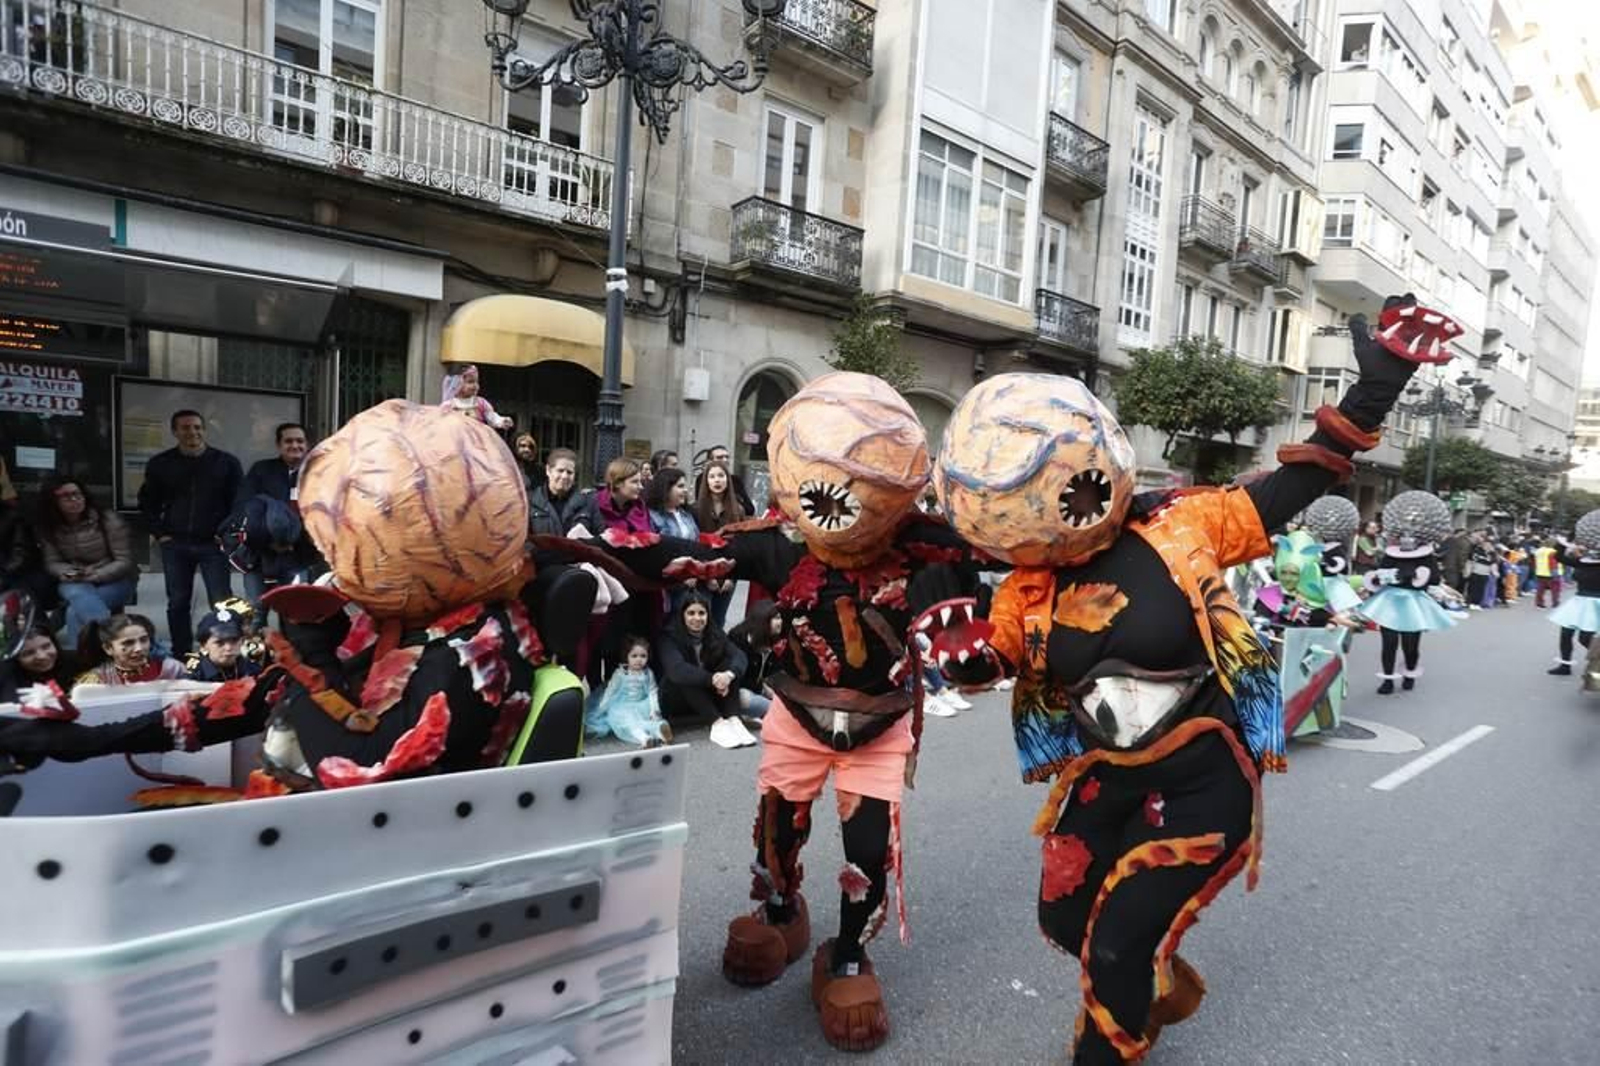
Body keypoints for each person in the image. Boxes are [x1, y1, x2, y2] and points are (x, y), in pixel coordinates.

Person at [929, 294, 1452, 1061]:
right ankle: (1150, 974)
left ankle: (1113, 1024)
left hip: (1203, 777)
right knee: (1067, 920)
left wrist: (1380, 386)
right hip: (1104, 774)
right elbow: (997, 658)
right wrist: (962, 652)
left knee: (1113, 947)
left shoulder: (1186, 524)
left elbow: (1295, 487)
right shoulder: (1026, 587)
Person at [137, 409, 242, 656]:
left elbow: (238, 503)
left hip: (213, 544)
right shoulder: (161, 464)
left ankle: (225, 649)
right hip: (176, 543)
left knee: (221, 600)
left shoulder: (226, 463)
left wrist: (227, 535)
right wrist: (160, 533)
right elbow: (147, 502)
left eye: (197, 427)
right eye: (185, 428)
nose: (192, 432)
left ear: (204, 430)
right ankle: (182, 652)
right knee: (178, 602)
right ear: (175, 432)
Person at [1361, 491, 1461, 694]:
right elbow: (1381, 571)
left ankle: (1409, 671)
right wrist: (1385, 577)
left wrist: (1412, 575)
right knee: (1389, 642)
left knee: (1410, 644)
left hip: (1413, 603)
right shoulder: (1391, 552)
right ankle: (1387, 679)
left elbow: (1432, 578)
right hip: (1390, 601)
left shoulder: (1427, 554)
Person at [35, 476, 138, 643]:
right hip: (75, 580)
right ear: (53, 502)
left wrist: (95, 574)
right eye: (67, 497)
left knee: (74, 612)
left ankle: (82, 660)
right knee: (76, 594)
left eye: (78, 494)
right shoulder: (48, 527)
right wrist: (70, 572)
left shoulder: (107, 520)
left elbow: (125, 561)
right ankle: (118, 642)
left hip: (116, 580)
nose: (75, 499)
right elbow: (52, 562)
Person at [656, 592, 758, 749]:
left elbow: (739, 655)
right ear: (682, 615)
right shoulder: (669, 636)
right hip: (676, 700)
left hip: (709, 695)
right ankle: (717, 723)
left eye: (701, 613)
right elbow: (676, 670)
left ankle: (734, 719)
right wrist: (713, 679)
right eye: (691, 613)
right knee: (684, 674)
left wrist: (728, 676)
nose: (697, 618)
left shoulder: (714, 632)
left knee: (729, 665)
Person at [235, 423, 317, 611]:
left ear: (307, 445)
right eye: (288, 441)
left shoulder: (316, 474)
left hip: (299, 556)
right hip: (259, 555)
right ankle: (257, 640)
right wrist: (270, 540)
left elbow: (323, 514)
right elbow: (245, 506)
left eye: (300, 441)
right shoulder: (261, 470)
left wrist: (294, 540)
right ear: (279, 445)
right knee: (256, 609)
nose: (294, 445)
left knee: (296, 611)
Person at [586, 635, 672, 748]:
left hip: (641, 705)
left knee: (648, 720)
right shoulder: (620, 674)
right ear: (626, 656)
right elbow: (610, 691)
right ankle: (645, 739)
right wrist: (601, 708)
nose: (639, 660)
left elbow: (652, 692)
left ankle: (660, 731)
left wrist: (654, 710)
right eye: (634, 656)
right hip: (622, 706)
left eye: (643, 656)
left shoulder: (648, 673)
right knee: (629, 723)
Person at [694, 459, 747, 627]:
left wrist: (732, 577)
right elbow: (695, 545)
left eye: (721, 476)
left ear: (728, 480)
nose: (717, 480)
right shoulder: (695, 509)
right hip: (703, 573)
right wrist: (707, 575)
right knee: (702, 620)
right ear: (706, 481)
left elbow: (741, 545)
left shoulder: (737, 509)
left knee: (719, 620)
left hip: (729, 573)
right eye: (712, 476)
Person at [1548, 516, 1600, 675]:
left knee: (1585, 637)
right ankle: (1565, 665)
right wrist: (1570, 536)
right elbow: (1558, 556)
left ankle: (1597, 659)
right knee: (1566, 633)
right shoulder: (1582, 561)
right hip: (1580, 601)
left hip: (1597, 602)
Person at [74, 613, 186, 687]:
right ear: (108, 648)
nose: (139, 648)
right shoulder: (96, 681)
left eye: (144, 640)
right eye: (128, 643)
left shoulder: (174, 670)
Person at [528, 448, 593, 536]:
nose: (564, 476)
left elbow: (598, 539)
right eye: (560, 470)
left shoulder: (587, 503)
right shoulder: (530, 502)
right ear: (548, 470)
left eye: (569, 472)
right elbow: (523, 540)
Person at [0, 626, 73, 702]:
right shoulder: (6, 674)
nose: (42, 656)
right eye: (29, 653)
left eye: (46, 646)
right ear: (16, 659)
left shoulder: (74, 661)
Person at [186, 608, 261, 682]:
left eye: (234, 640)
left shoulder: (252, 669)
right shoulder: (194, 677)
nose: (228, 648)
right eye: (219, 643)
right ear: (204, 645)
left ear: (242, 640)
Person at [440, 364, 512, 430]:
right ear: (457, 384)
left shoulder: (481, 403)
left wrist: (501, 421)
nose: (475, 385)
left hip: (476, 439)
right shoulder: (449, 405)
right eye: (470, 382)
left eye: (476, 382)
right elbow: (441, 422)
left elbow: (491, 416)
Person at [695, 444, 756, 517]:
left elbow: (749, 509)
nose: (725, 460)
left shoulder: (736, 480)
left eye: (727, 457)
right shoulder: (702, 479)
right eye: (719, 457)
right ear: (709, 462)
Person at [1533, 538, 1561, 608]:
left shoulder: (1538, 551)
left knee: (1540, 589)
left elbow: (1535, 561)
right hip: (1550, 573)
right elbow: (1553, 563)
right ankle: (1555, 602)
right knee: (1555, 589)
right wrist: (1555, 573)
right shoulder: (1553, 551)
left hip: (1540, 572)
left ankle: (1539, 602)